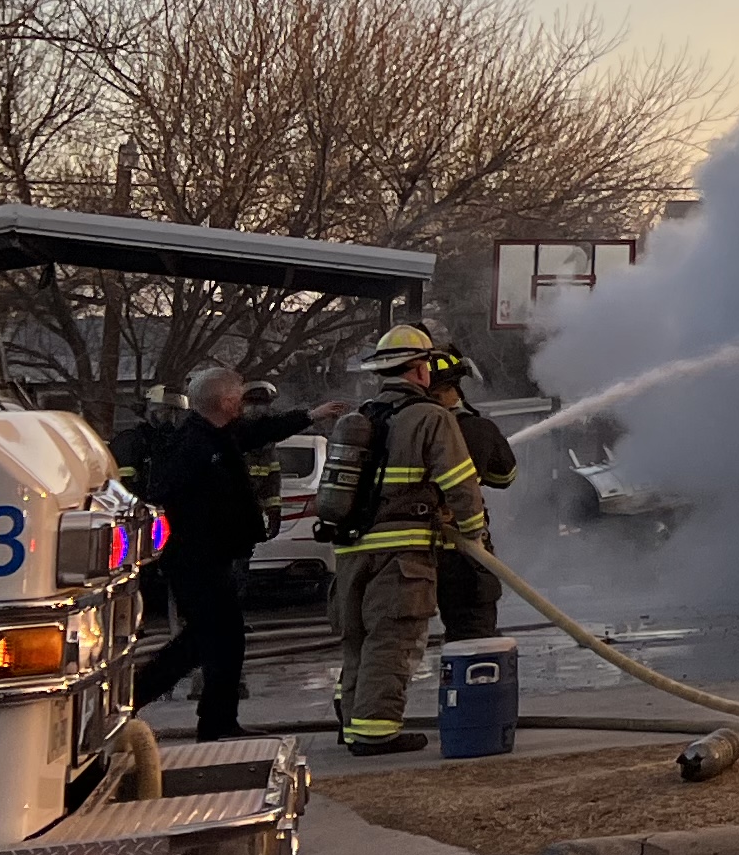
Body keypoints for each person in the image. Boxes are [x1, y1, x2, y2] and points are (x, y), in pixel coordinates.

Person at [326, 322, 490, 757]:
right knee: (393, 639)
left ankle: (354, 723)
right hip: (401, 554)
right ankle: (377, 732)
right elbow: (460, 483)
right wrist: (474, 536)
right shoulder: (430, 417)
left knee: (358, 637)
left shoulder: (360, 419)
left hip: (350, 551)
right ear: (419, 370)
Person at [130, 366, 317, 740]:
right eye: (239, 397)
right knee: (218, 639)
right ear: (228, 401)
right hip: (197, 561)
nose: (243, 404)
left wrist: (310, 416)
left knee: (207, 639)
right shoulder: (192, 447)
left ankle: (209, 719)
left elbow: (259, 432)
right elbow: (163, 498)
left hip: (213, 558)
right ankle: (168, 709)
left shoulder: (217, 436)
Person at [428, 347, 520, 642]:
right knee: (473, 641)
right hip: (461, 557)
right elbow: (505, 476)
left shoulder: (394, 425)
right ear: (449, 389)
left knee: (387, 650)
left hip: (401, 557)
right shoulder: (476, 428)